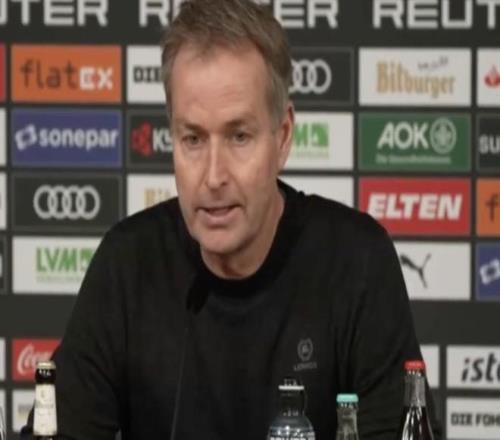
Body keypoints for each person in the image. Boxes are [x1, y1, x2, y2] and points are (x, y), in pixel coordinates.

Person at [23, 0, 441, 438]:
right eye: (193, 139)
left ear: (282, 137)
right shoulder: (128, 263)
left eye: (239, 136)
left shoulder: (356, 262)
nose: (213, 176)